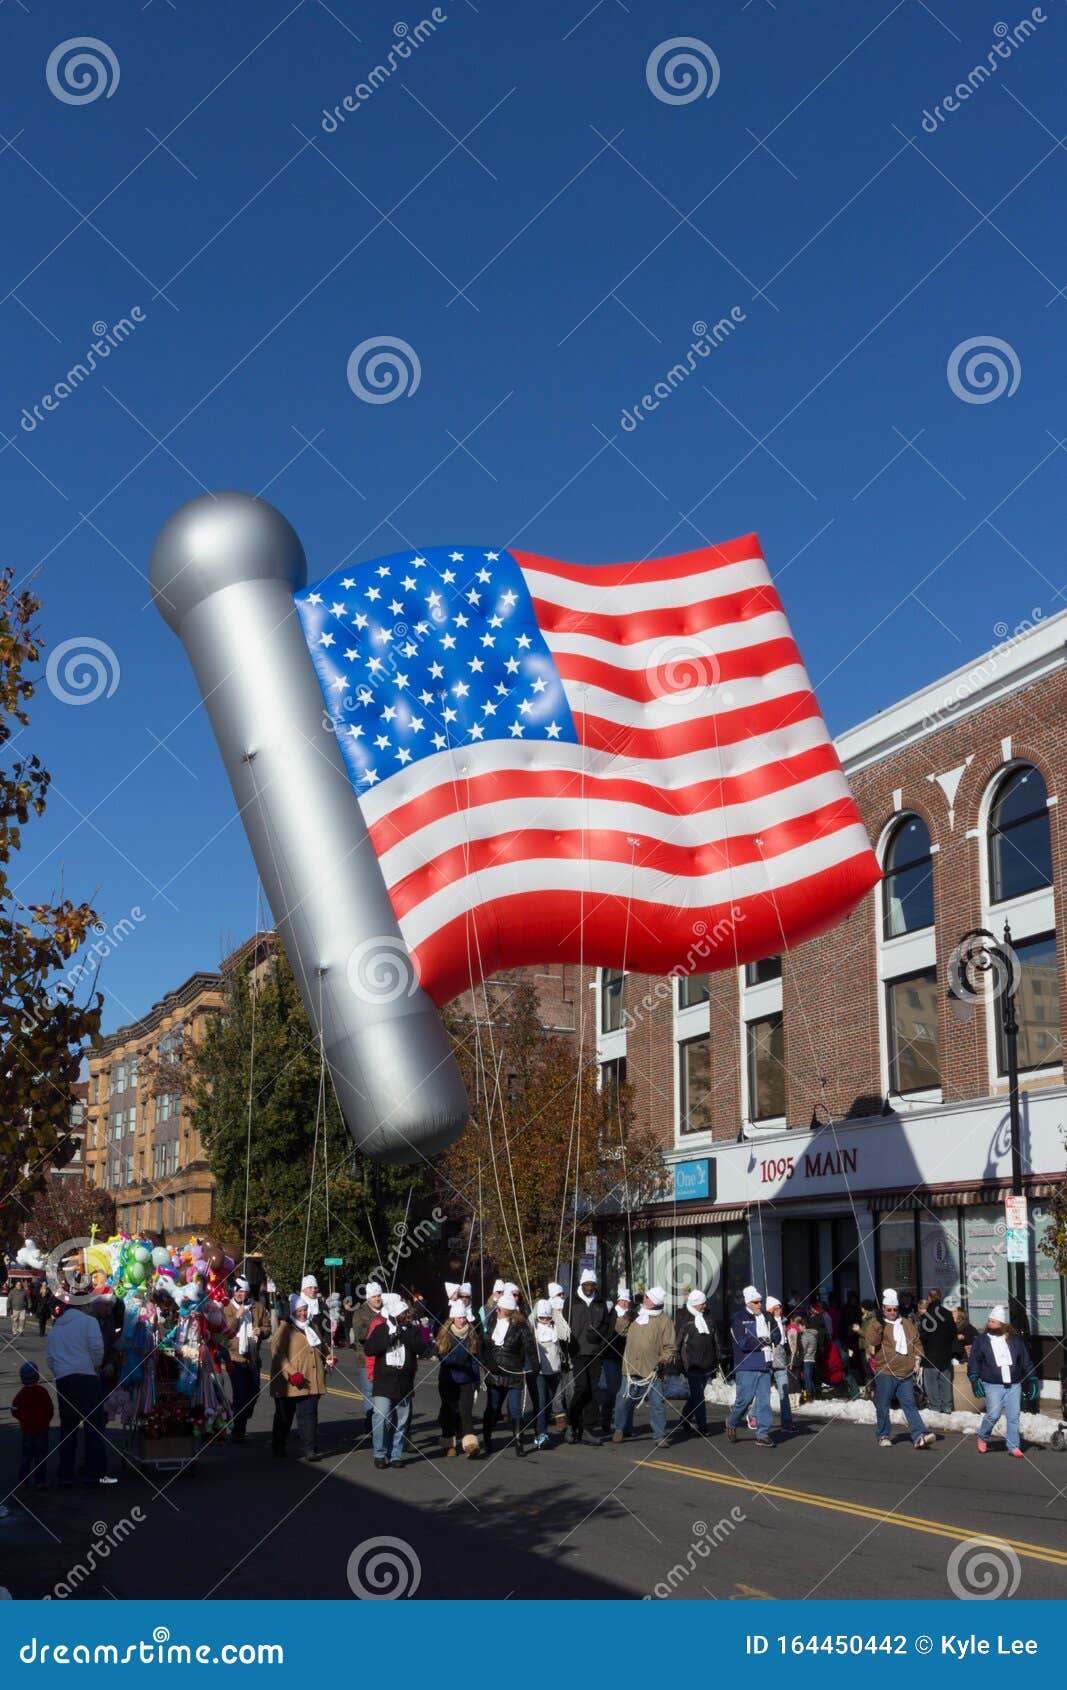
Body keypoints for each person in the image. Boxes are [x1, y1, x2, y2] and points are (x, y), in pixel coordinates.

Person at [46, 1299, 116, 1486]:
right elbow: (97, 1349)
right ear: (83, 1306)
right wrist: (94, 1366)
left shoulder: (56, 1328)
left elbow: (50, 1358)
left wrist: (60, 1372)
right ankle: (95, 1472)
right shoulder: (88, 1322)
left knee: (68, 1427)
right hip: (86, 1376)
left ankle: (66, 1472)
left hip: (64, 1379)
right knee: (94, 1425)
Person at [364, 1292, 429, 1469]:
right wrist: (389, 1338)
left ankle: (396, 1454)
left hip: (404, 1381)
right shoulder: (381, 1329)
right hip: (384, 1381)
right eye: (403, 1315)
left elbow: (422, 1349)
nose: (406, 1317)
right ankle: (380, 1452)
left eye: (406, 1314)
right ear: (394, 1316)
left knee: (401, 1419)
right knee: (381, 1416)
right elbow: (369, 1349)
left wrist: (406, 1335)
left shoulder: (413, 1331)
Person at [867, 1289, 935, 1450]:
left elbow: (916, 1341)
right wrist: (878, 1324)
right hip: (886, 1371)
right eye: (889, 1309)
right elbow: (872, 1340)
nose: (892, 1312)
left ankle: (919, 1436)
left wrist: (918, 1357)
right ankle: (883, 1434)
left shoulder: (907, 1323)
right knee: (883, 1404)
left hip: (906, 1372)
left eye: (895, 1309)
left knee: (910, 1404)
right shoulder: (877, 1323)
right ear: (883, 1309)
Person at [968, 1305, 1033, 1458]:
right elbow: (974, 1361)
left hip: (1014, 1384)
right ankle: (983, 1437)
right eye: (989, 1321)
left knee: (1013, 1416)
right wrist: (974, 1378)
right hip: (992, 1384)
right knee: (993, 1414)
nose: (990, 1323)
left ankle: (1013, 1446)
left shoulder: (1015, 1341)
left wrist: (1033, 1378)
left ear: (1002, 1324)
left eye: (994, 1321)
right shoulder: (981, 1341)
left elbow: (1026, 1361)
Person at [614, 1287, 676, 1445]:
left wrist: (664, 1361)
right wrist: (628, 1315)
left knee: (657, 1403)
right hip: (631, 1366)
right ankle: (620, 1429)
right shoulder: (636, 1315)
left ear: (655, 1302)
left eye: (647, 1298)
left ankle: (659, 1436)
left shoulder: (664, 1321)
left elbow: (670, 1347)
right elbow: (619, 1330)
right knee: (624, 1399)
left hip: (653, 1369)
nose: (644, 1300)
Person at [269, 1294, 328, 1460]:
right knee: (284, 1417)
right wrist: (291, 1372)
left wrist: (329, 1356)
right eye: (300, 1310)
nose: (303, 1313)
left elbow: (322, 1347)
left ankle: (310, 1448)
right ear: (293, 1312)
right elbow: (277, 1353)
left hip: (309, 1380)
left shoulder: (313, 1327)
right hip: (289, 1383)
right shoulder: (284, 1329)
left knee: (309, 1415)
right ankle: (278, 1445)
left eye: (305, 1310)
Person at [482, 1290, 536, 1456]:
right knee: (493, 1407)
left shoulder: (521, 1327)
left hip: (514, 1373)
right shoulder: (491, 1323)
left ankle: (519, 1442)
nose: (496, 1310)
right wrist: (487, 1362)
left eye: (499, 1308)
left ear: (505, 1310)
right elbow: (483, 1346)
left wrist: (532, 1366)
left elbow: (530, 1348)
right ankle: (487, 1438)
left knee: (515, 1408)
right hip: (495, 1373)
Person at [566, 1268, 612, 1446]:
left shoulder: (600, 1302)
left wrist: (600, 1337)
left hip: (595, 1351)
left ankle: (587, 1429)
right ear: (581, 1284)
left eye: (592, 1284)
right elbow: (564, 1324)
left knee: (593, 1390)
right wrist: (567, 1346)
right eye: (586, 1284)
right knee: (581, 1388)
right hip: (577, 1351)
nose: (589, 1287)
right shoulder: (572, 1301)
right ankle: (572, 1423)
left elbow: (608, 1325)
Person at [725, 1287, 775, 1448]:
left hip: (765, 1363)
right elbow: (743, 1342)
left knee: (764, 1401)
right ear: (748, 1302)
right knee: (744, 1400)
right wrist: (763, 1341)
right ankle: (732, 1422)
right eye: (756, 1302)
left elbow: (777, 1335)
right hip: (746, 1365)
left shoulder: (767, 1316)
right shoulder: (738, 1318)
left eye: (760, 1301)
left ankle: (763, 1433)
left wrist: (768, 1338)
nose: (760, 1304)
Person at [223, 1277, 271, 1443]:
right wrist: (237, 1317)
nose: (239, 1294)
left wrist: (261, 1331)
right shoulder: (227, 1308)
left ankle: (241, 1413)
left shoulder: (257, 1307)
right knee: (240, 1393)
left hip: (253, 1356)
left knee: (254, 1391)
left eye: (242, 1290)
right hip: (234, 1357)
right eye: (236, 1290)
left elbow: (267, 1327)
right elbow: (226, 1331)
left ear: (248, 1292)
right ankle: (239, 1430)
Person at [436, 1300, 481, 1458]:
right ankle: (449, 1444)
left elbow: (475, 1360)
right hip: (449, 1380)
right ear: (452, 1319)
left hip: (467, 1380)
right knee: (449, 1412)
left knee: (466, 1412)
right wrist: (460, 1356)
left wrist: (477, 1379)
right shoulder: (445, 1336)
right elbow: (444, 1358)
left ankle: (470, 1444)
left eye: (464, 1317)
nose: (462, 1320)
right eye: (459, 1317)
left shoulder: (471, 1335)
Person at [676, 1289, 718, 1437]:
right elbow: (679, 1343)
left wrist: (717, 1359)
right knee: (699, 1396)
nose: (704, 1306)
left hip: (707, 1363)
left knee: (696, 1396)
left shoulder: (709, 1318)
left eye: (705, 1303)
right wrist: (681, 1364)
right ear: (694, 1304)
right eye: (702, 1304)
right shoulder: (685, 1319)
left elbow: (714, 1340)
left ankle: (684, 1419)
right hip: (692, 1364)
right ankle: (703, 1426)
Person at [11, 1361, 53, 1494]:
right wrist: (46, 1421)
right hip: (42, 1428)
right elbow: (49, 1409)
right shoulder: (42, 1391)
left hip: (27, 1429)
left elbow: (14, 1409)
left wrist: (22, 1419)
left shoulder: (22, 1394)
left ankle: (23, 1480)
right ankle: (40, 1480)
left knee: (26, 1455)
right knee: (41, 1455)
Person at [349, 1282, 383, 1437]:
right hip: (365, 1358)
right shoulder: (360, 1312)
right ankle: (371, 1424)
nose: (377, 1299)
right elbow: (360, 1334)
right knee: (369, 1393)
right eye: (374, 1296)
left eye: (379, 1296)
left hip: (383, 1358)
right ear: (368, 1298)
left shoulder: (386, 1310)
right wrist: (377, 1326)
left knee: (382, 1393)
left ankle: (382, 1422)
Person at [532, 1298, 565, 1449]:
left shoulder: (555, 1326)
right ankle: (541, 1434)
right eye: (541, 1317)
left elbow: (565, 1334)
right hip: (539, 1372)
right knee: (541, 1402)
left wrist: (557, 1316)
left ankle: (544, 1429)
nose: (544, 1320)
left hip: (555, 1370)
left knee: (552, 1400)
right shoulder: (533, 1328)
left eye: (547, 1317)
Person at [598, 1287, 627, 1436]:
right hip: (611, 1357)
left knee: (624, 1391)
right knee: (614, 1389)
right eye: (623, 1300)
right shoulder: (612, 1315)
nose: (625, 1303)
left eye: (627, 1301)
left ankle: (623, 1424)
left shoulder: (630, 1316)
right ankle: (606, 1418)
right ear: (618, 1300)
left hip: (625, 1357)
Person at [764, 1296, 796, 1433]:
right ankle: (753, 1415)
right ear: (770, 1310)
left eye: (780, 1307)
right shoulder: (765, 1322)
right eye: (776, 1308)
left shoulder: (784, 1322)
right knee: (763, 1392)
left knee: (784, 1391)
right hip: (768, 1359)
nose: (779, 1310)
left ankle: (787, 1423)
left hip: (781, 1361)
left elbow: (785, 1343)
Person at [798, 1316, 821, 1400]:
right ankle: (813, 1394)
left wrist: (798, 1356)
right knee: (810, 1378)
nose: (798, 1327)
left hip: (806, 1359)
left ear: (804, 1326)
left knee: (807, 1378)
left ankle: (809, 1395)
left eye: (799, 1325)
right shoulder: (813, 1334)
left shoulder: (805, 1336)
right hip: (812, 1358)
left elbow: (803, 1349)